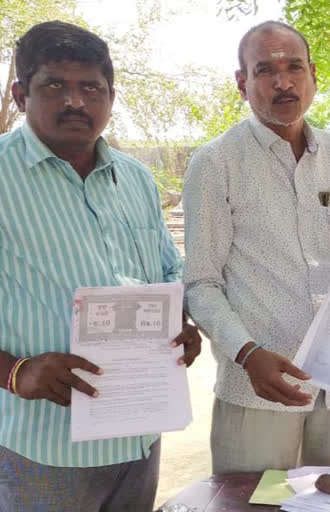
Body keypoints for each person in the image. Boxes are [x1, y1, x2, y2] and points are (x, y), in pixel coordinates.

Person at [0, 21, 202, 512]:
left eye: (91, 87)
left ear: (111, 95)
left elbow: (166, 268)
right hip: (43, 453)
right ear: (21, 94)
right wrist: (13, 372)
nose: (76, 102)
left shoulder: (134, 179)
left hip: (140, 437)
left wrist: (180, 318)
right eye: (55, 86)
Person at [182, 21, 330, 473]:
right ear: (242, 83)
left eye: (294, 67)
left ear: (314, 75)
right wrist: (247, 354)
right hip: (256, 391)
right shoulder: (216, 162)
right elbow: (200, 282)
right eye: (264, 70)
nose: (283, 81)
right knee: (254, 504)